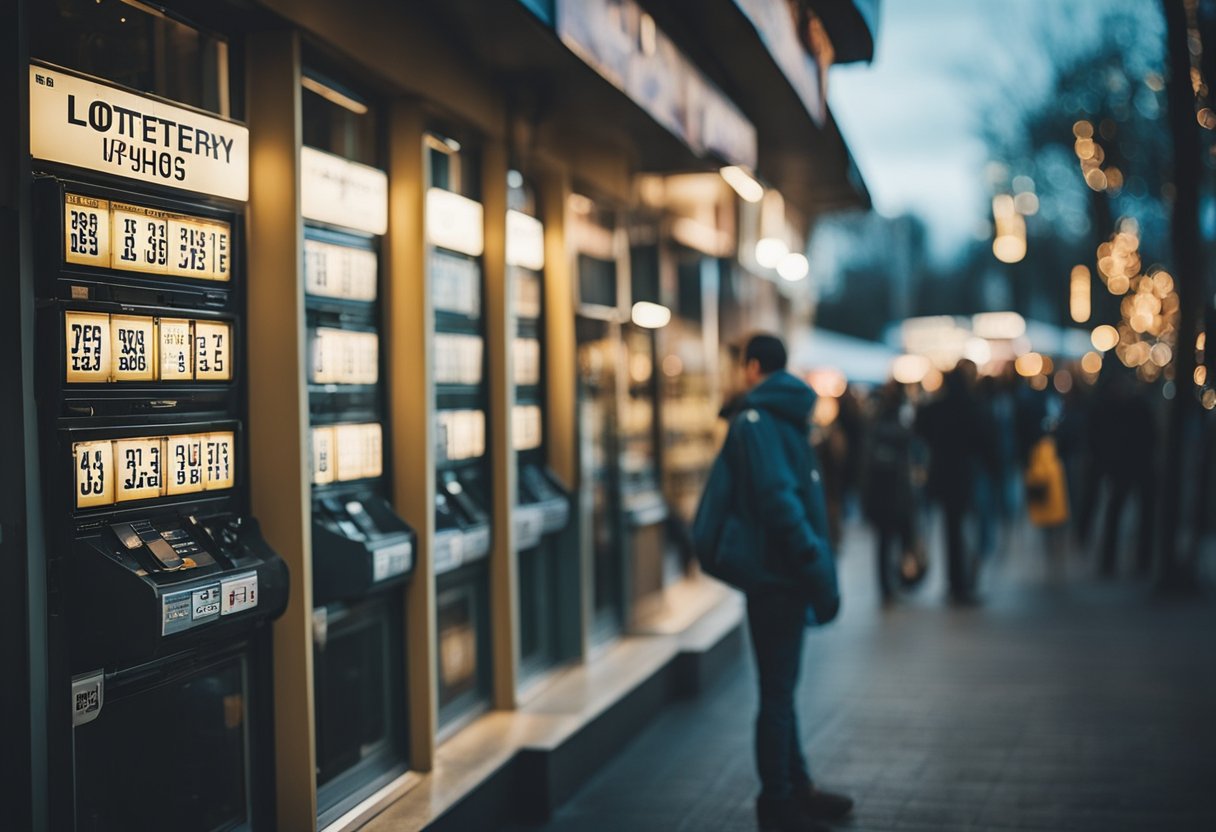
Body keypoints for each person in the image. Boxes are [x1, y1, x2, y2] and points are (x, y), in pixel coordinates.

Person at [704, 334, 852, 832]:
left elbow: (775, 497)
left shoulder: (755, 420)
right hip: (787, 571)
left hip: (776, 574)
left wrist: (807, 556)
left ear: (751, 367)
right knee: (781, 690)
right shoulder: (788, 413)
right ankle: (791, 789)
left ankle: (780, 798)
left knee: (775, 694)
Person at [915, 360, 998, 603]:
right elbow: (984, 441)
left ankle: (956, 583)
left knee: (952, 530)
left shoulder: (937, 407)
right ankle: (963, 583)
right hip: (965, 475)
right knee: (967, 530)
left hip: (942, 474)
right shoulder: (971, 406)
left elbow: (921, 429)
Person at [861, 381, 918, 603]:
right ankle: (899, 580)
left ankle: (889, 584)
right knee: (897, 538)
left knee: (885, 541)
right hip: (895, 491)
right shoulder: (899, 424)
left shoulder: (875, 423)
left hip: (881, 492)